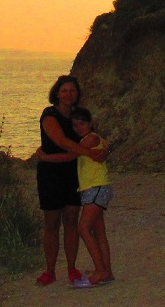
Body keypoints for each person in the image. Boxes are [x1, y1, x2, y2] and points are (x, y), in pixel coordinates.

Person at [33, 75, 105, 286]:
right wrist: (87, 153)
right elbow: (60, 140)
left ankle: (72, 268)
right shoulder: (49, 114)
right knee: (52, 223)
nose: (68, 94)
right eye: (64, 90)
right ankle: (49, 270)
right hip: (50, 174)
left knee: (72, 222)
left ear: (77, 94)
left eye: (72, 90)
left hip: (73, 172)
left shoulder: (78, 116)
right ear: (56, 92)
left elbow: (94, 135)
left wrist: (100, 149)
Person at [69, 107, 113, 287]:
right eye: (75, 125)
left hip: (95, 188)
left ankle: (100, 270)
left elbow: (72, 153)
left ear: (90, 123)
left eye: (82, 124)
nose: (79, 127)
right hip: (96, 188)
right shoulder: (98, 140)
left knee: (83, 229)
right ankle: (107, 270)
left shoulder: (91, 139)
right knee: (98, 231)